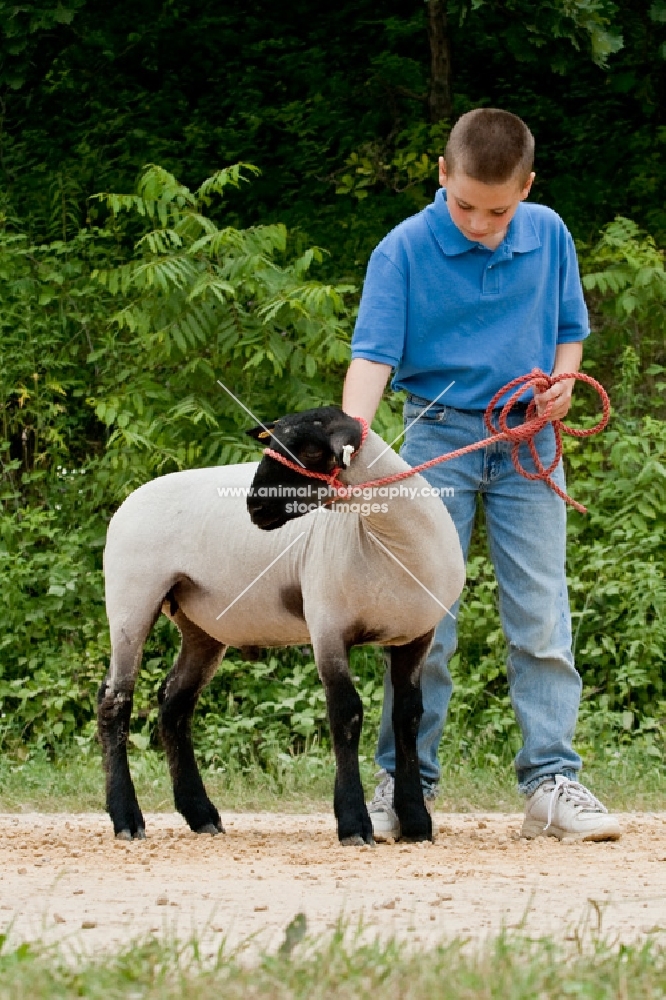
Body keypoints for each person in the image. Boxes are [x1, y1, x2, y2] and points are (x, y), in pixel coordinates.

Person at [341, 108, 620, 842]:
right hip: (441, 435)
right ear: (442, 174)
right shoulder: (402, 251)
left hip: (531, 437)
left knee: (541, 613)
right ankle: (403, 785)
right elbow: (372, 357)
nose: (478, 221)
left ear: (527, 188)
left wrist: (563, 383)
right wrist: (353, 448)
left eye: (497, 209)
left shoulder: (549, 233)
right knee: (424, 619)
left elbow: (569, 331)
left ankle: (552, 782)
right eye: (464, 204)